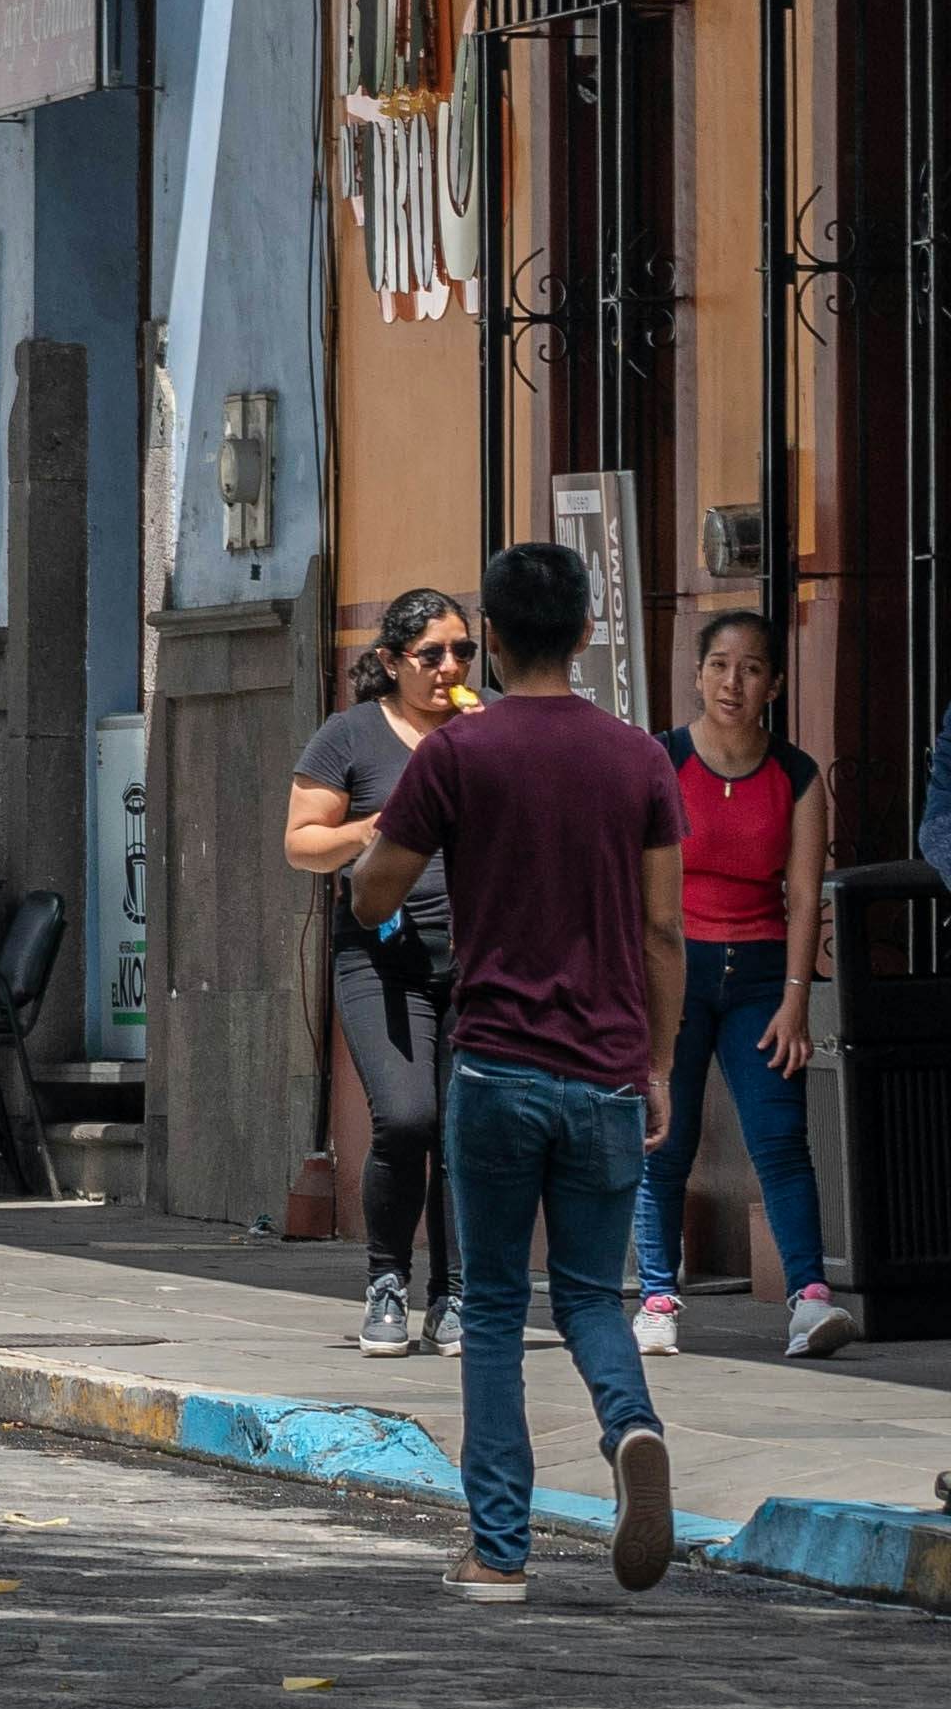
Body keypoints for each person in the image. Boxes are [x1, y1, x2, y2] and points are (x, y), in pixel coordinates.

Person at [347, 536, 681, 1600]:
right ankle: (631, 1425)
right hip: (608, 1070)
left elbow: (374, 890)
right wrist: (658, 1063)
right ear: (584, 631)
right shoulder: (640, 758)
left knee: (492, 1305)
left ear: (488, 636)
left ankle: (498, 1551)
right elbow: (665, 930)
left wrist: (386, 859)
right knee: (590, 1295)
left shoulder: (457, 754)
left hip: (495, 1064)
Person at [644, 604, 850, 1361]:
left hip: (763, 975)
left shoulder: (797, 776)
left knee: (780, 1138)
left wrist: (797, 998)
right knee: (664, 1138)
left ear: (775, 684)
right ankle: (658, 1298)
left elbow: (804, 896)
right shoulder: (662, 760)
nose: (733, 682)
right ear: (697, 676)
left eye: (752, 669)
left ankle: (810, 1299)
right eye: (720, 666)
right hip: (676, 970)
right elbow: (637, 885)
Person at [292, 584, 478, 1357]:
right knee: (406, 1119)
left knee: (466, 1128)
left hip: (478, 959)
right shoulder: (351, 735)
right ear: (392, 661)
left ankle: (458, 1292)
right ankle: (387, 1281)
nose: (449, 668)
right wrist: (374, 827)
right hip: (382, 957)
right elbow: (302, 843)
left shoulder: (485, 728)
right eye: (431, 654)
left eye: (463, 651)